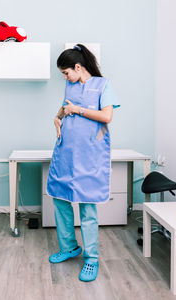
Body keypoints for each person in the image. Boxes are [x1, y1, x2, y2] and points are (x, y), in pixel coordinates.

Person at [47, 44, 120, 282]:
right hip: (66, 153)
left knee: (87, 206)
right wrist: (57, 118)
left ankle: (91, 258)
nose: (65, 77)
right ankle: (69, 247)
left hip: (89, 156)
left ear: (78, 67)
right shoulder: (70, 84)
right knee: (60, 199)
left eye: (66, 72)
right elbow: (65, 105)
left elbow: (106, 116)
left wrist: (77, 110)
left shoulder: (103, 85)